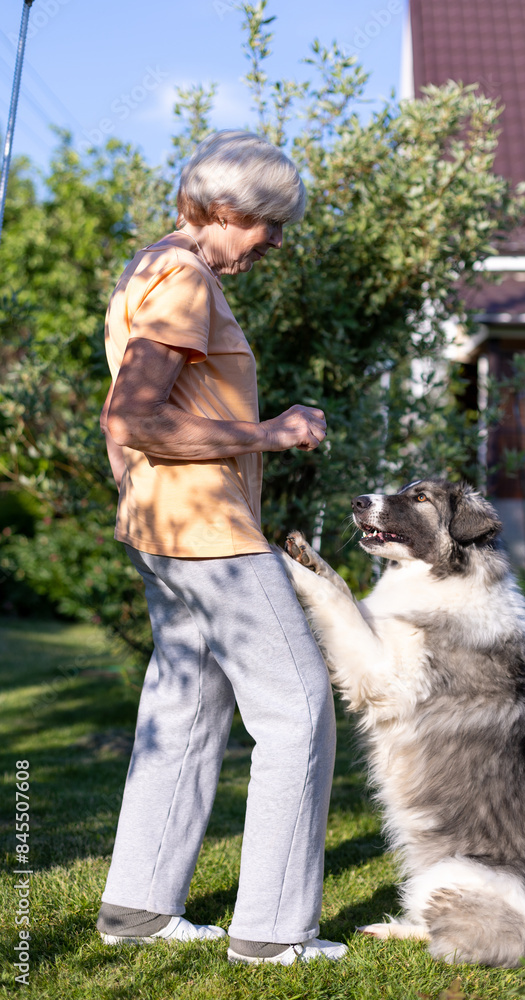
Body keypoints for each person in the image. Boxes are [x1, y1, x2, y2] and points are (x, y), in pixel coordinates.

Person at [96, 130, 345, 966]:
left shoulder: (145, 267)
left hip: (165, 529)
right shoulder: (184, 278)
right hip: (207, 534)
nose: (275, 242)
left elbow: (117, 422)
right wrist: (269, 432)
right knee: (298, 708)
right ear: (233, 210)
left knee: (186, 708)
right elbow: (135, 413)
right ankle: (274, 933)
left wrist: (131, 490)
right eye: (271, 225)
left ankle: (139, 908)